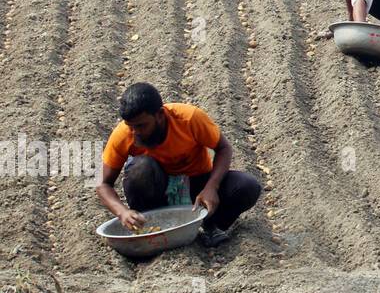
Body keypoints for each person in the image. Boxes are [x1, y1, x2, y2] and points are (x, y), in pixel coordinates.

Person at [96, 82, 262, 248]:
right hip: (156, 192)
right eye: (130, 126)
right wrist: (122, 212)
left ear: (160, 115)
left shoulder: (189, 119)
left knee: (247, 186)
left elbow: (223, 148)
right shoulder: (123, 135)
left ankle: (211, 225)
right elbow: (103, 184)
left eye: (141, 125)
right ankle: (150, 228)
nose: (135, 132)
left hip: (196, 189)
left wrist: (212, 187)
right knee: (140, 168)